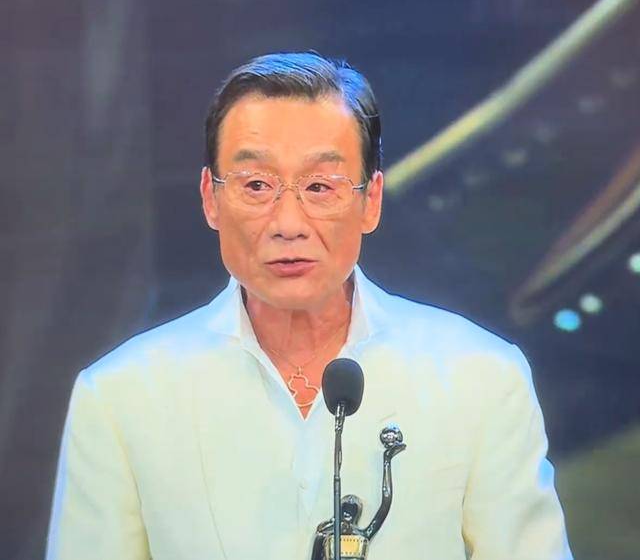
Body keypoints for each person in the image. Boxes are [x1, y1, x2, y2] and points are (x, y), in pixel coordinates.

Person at [46, 51, 573, 559]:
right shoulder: (119, 397)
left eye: (320, 186)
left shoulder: (481, 378)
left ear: (371, 201)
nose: (288, 224)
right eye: (257, 185)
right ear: (211, 198)